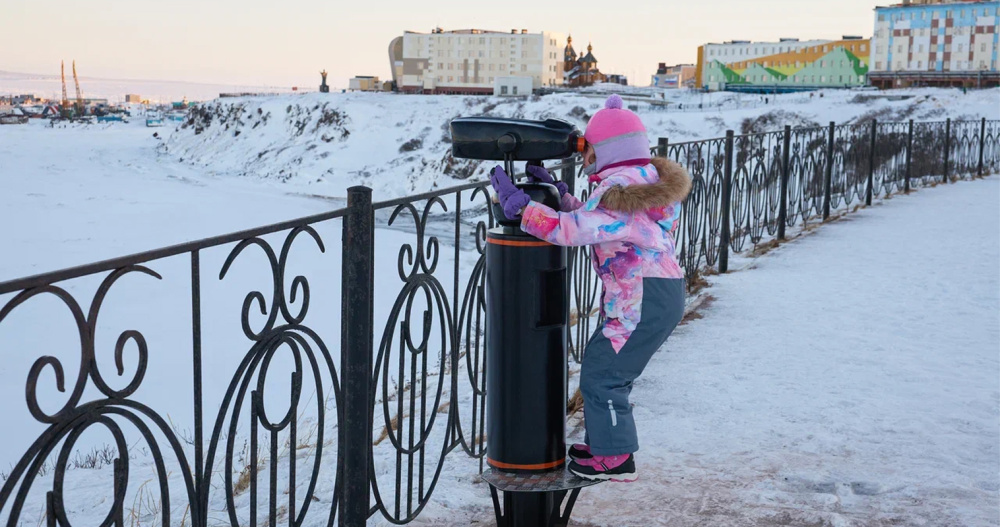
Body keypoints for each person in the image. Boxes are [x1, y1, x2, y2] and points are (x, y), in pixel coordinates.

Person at [489, 94, 691, 482]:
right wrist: (563, 197)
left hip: (641, 297)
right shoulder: (640, 184)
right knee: (608, 366)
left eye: (587, 148)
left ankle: (615, 458)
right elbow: (597, 222)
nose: (583, 157)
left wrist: (524, 209)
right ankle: (605, 443)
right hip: (654, 292)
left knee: (603, 374)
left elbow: (574, 231)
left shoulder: (618, 192)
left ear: (606, 151)